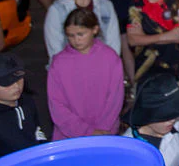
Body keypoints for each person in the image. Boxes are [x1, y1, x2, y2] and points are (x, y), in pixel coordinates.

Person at [46, 8, 124, 140]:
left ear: (95, 29)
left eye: (81, 34)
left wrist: (102, 128)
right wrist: (86, 131)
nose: (76, 40)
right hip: (69, 134)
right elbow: (56, 104)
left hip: (105, 132)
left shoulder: (110, 57)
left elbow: (115, 98)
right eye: (70, 35)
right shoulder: (58, 62)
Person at [127, 0, 179, 81]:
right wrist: (168, 36)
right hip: (145, 68)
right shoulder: (136, 6)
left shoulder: (178, 1)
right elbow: (133, 40)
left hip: (174, 65)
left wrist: (145, 38)